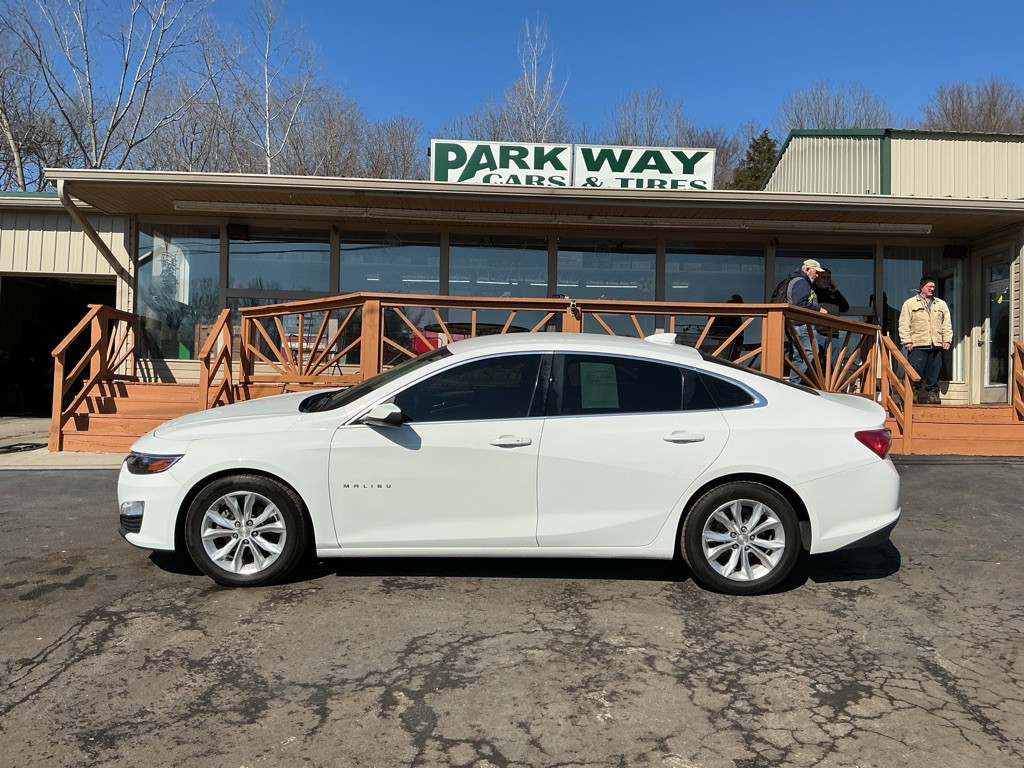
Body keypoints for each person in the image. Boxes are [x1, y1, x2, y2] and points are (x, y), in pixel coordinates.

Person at [898, 276, 953, 404]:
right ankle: (913, 394)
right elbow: (904, 323)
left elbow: (947, 323)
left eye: (933, 287)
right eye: (929, 287)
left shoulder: (940, 304)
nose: (932, 289)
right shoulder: (910, 303)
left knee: (935, 370)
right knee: (916, 370)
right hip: (918, 343)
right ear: (922, 287)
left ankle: (932, 394)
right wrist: (907, 341)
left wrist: (947, 340)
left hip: (936, 343)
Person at [783, 259, 829, 383]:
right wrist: (818, 309)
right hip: (801, 324)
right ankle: (798, 382)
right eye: (816, 272)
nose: (817, 275)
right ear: (807, 269)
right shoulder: (802, 282)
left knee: (798, 356)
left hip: (794, 324)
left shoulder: (795, 280)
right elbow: (800, 303)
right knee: (812, 353)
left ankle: (794, 383)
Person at [812, 268, 850, 371]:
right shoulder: (812, 291)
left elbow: (845, 307)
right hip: (817, 332)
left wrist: (836, 291)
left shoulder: (833, 293)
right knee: (816, 363)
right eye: (823, 277)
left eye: (828, 278)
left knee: (834, 363)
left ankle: (832, 386)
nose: (826, 280)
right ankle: (814, 386)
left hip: (833, 333)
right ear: (817, 278)